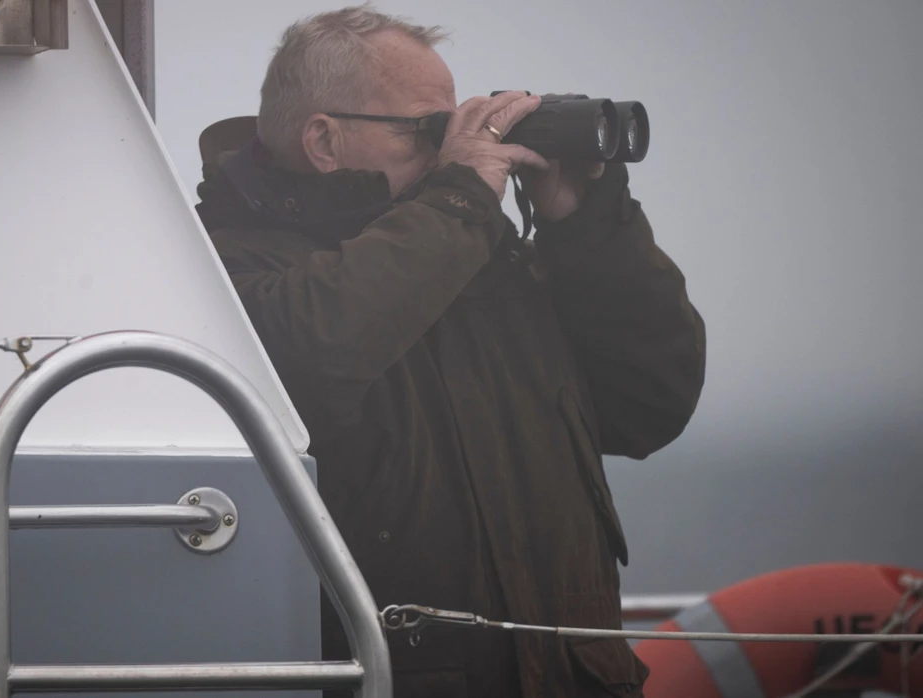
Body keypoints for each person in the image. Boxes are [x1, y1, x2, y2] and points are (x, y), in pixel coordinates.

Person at [193, 5, 706, 697]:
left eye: (452, 125)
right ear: (323, 140)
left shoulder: (483, 265)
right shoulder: (223, 271)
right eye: (426, 130)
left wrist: (585, 225)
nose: (448, 149)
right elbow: (320, 352)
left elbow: (649, 405)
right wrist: (460, 198)